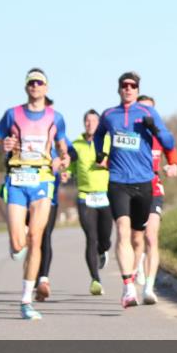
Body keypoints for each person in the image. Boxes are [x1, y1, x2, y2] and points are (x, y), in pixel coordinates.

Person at [0, 68, 70, 321]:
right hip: (16, 178)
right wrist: (2, 145)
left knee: (36, 237)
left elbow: (62, 144)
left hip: (42, 179)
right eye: (31, 83)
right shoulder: (12, 114)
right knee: (18, 243)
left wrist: (63, 158)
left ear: (46, 88)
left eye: (40, 83)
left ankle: (26, 300)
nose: (35, 86)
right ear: (26, 88)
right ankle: (17, 243)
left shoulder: (55, 117)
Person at [94, 72, 175, 309]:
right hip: (118, 180)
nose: (128, 89)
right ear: (119, 89)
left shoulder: (148, 113)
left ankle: (145, 284)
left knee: (139, 236)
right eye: (124, 86)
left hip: (143, 182)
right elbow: (99, 134)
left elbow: (170, 143)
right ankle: (128, 287)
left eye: (133, 86)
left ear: (138, 90)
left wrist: (155, 130)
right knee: (122, 230)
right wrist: (101, 152)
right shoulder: (109, 114)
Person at [135, 94, 177, 304]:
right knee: (136, 239)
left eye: (150, 111)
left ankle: (149, 288)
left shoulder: (161, 136)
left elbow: (173, 157)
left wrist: (172, 167)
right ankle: (134, 271)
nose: (146, 115)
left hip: (154, 189)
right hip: (132, 189)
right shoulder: (129, 135)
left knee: (151, 236)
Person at [69, 109, 113, 296]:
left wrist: (107, 163)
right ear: (83, 123)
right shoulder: (76, 144)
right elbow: (70, 166)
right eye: (87, 120)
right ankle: (95, 280)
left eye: (94, 120)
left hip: (105, 195)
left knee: (105, 238)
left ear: (99, 123)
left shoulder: (108, 141)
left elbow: (119, 161)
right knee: (91, 238)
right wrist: (66, 172)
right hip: (85, 196)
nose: (90, 124)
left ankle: (103, 251)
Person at [33, 98, 70, 302]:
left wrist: (63, 165)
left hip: (50, 197)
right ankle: (34, 277)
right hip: (27, 194)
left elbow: (68, 154)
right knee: (32, 238)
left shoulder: (57, 133)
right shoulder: (26, 131)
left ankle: (43, 279)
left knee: (45, 235)